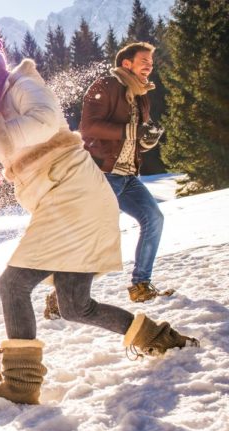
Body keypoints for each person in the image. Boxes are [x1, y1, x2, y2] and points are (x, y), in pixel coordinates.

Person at [0, 27, 198, 405]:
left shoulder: (22, 86)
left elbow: (44, 121)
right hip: (70, 200)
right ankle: (161, 340)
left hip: (73, 194)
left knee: (12, 284)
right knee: (76, 306)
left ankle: (21, 384)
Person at [80, 41, 168, 303]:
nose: (149, 67)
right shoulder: (106, 85)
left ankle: (141, 285)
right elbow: (88, 127)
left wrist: (146, 138)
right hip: (103, 174)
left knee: (154, 219)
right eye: (144, 61)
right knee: (98, 237)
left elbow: (136, 135)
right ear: (126, 64)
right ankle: (62, 293)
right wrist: (131, 132)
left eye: (151, 64)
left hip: (128, 176)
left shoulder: (141, 94)